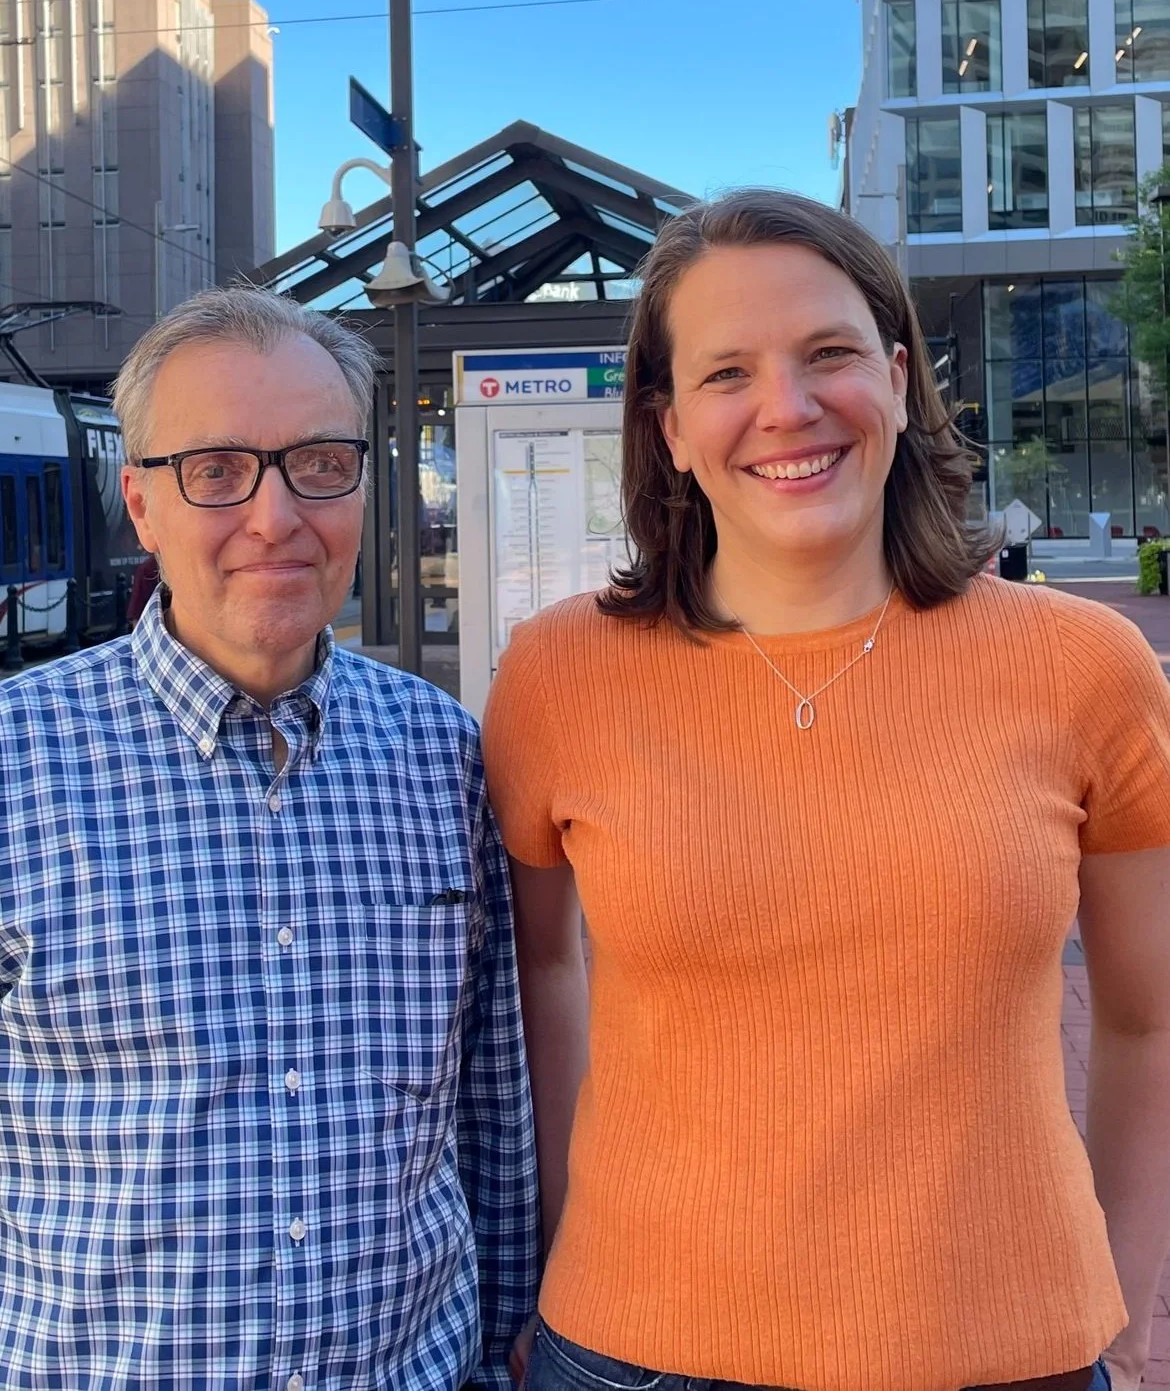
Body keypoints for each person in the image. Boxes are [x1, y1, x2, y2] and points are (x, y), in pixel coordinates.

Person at [483, 189, 1170, 1391]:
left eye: (829, 354)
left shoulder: (1083, 666)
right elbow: (548, 973)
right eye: (725, 374)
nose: (785, 409)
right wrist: (558, 1255)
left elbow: (1143, 1017)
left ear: (899, 381)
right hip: (633, 1353)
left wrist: (1118, 1307)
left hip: (1008, 1355)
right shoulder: (555, 675)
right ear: (670, 428)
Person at [0, 286, 538, 1390]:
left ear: (363, 482)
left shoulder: (447, 759)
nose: (274, 516)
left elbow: (492, 1116)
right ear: (140, 507)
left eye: (318, 463)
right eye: (215, 470)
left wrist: (502, 1358)